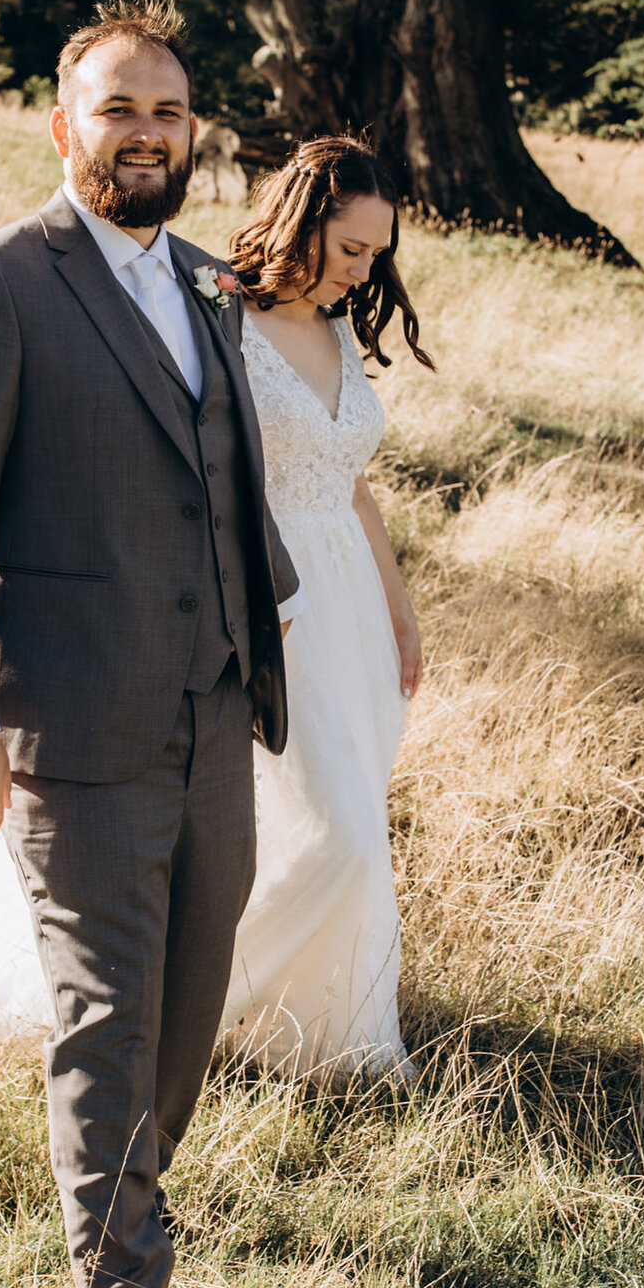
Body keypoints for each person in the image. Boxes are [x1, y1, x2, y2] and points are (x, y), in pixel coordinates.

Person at [0, 0, 298, 1288]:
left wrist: (271, 631)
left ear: (196, 135)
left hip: (214, 719)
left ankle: (122, 1204)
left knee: (188, 1021)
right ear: (64, 130)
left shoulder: (204, 282)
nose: (147, 133)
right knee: (111, 1030)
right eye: (118, 111)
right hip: (72, 726)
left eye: (170, 112)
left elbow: (223, 483)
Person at [218, 135, 433, 1080]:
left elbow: (349, 483)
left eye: (377, 254)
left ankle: (311, 1031)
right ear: (300, 224)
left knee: (330, 820)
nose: (364, 271)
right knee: (338, 830)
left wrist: (399, 609)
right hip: (270, 598)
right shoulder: (221, 321)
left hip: (348, 603)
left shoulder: (340, 328)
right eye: (351, 249)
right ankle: (192, 1001)